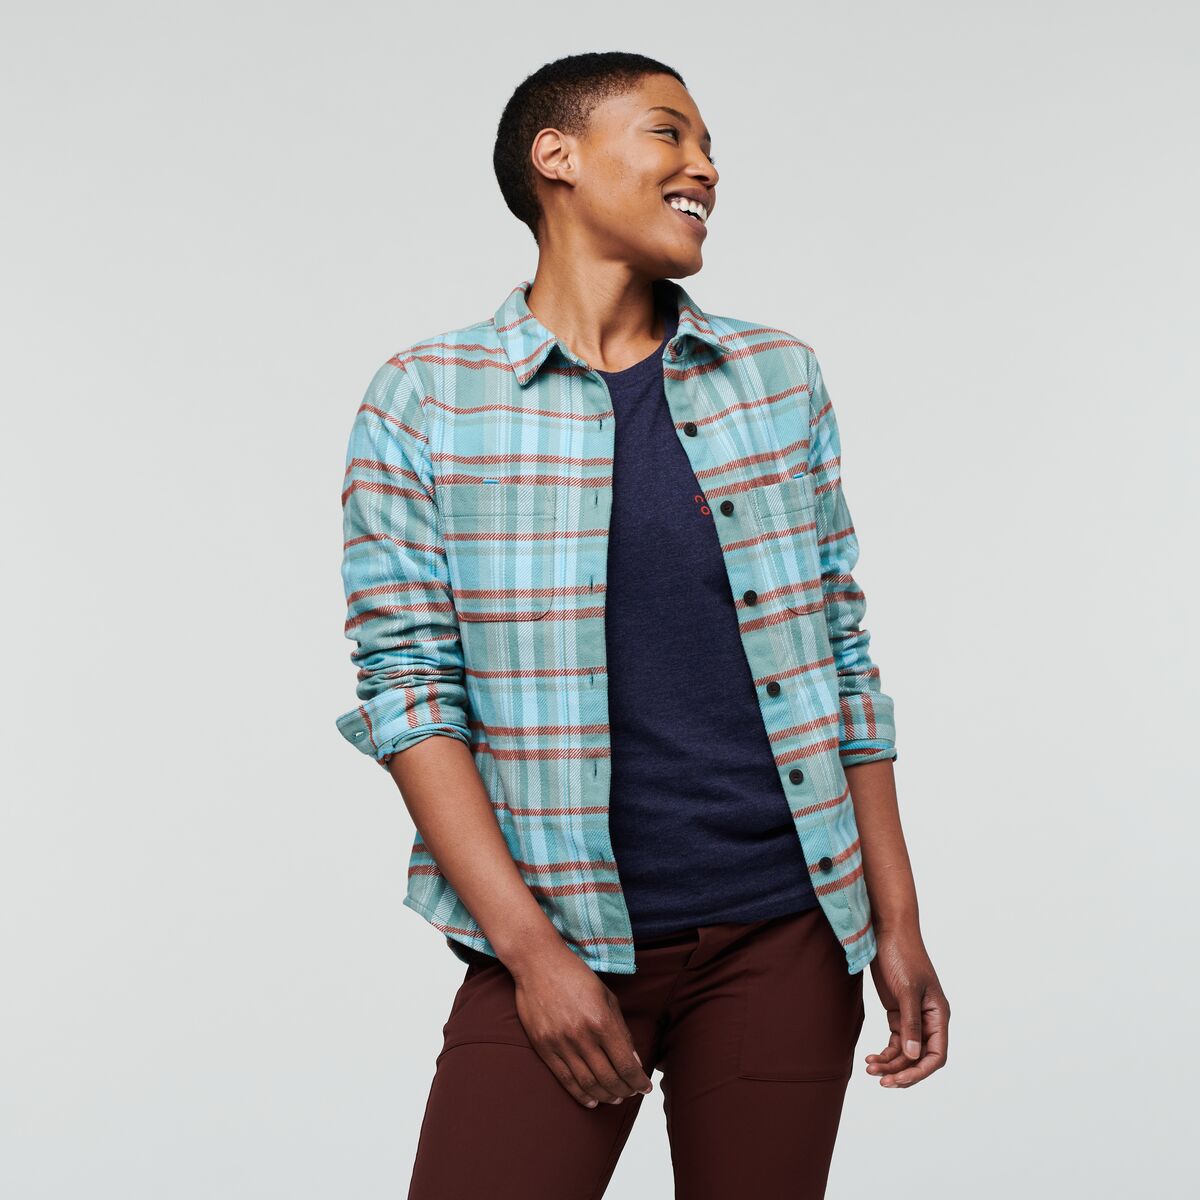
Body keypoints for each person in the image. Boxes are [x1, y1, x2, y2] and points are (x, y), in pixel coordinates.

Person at [335, 50, 950, 1200]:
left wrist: (896, 922)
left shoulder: (778, 379)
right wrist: (530, 956)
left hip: (785, 933)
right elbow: (410, 695)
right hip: (556, 930)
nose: (704, 167)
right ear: (555, 158)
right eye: (670, 133)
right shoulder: (427, 397)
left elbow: (841, 658)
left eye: (710, 147)